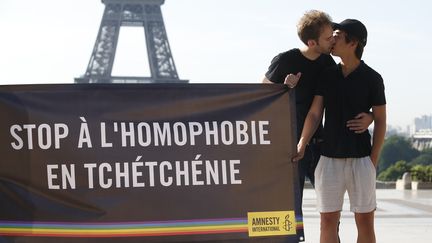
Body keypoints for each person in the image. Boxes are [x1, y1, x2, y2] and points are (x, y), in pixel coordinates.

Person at [262, 10, 372, 241]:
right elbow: (260, 95)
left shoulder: (326, 62)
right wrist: (283, 87)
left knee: (331, 214)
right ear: (312, 42)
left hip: (320, 144)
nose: (333, 39)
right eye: (328, 37)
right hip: (288, 146)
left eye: (334, 35)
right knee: (290, 207)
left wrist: (370, 116)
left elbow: (345, 97)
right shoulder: (285, 60)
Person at [294, 19, 387, 243]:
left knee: (365, 223)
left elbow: (382, 121)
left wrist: (372, 161)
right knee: (327, 221)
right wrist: (302, 142)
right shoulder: (327, 74)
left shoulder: (373, 78)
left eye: (337, 35)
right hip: (328, 160)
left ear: (353, 42)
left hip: (361, 159)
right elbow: (315, 113)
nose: (332, 39)